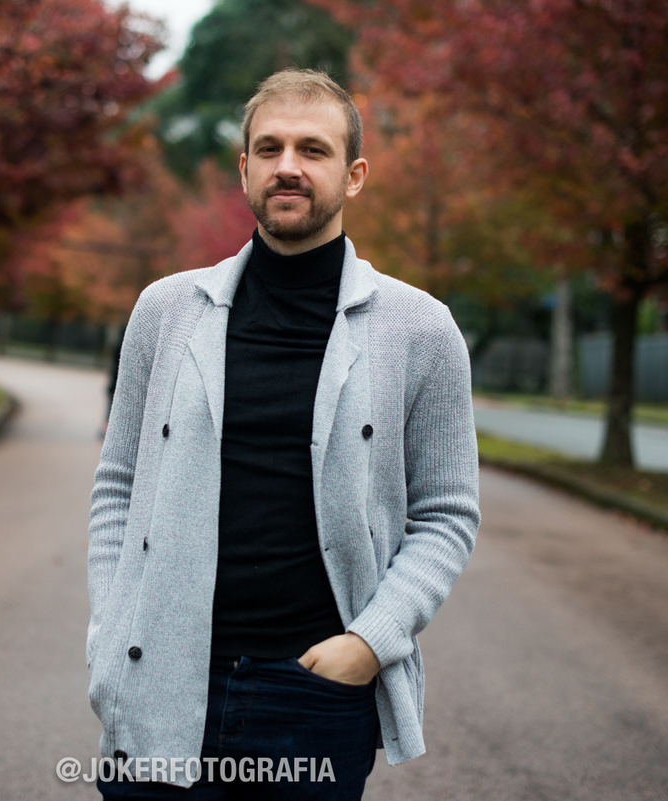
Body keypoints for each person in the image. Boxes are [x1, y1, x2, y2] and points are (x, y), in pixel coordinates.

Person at [87, 69, 480, 800]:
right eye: (268, 148)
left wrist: (371, 642)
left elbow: (448, 513)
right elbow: (117, 483)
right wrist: (110, 627)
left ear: (354, 174)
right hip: (162, 677)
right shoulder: (166, 311)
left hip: (312, 697)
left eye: (313, 149)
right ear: (244, 169)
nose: (287, 166)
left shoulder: (420, 330)